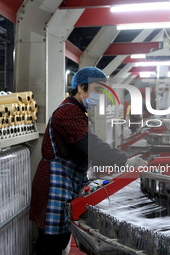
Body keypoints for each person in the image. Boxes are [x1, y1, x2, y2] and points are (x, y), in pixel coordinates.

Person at [30, 67, 131, 255]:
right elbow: (88, 144)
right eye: (96, 90)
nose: (100, 96)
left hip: (65, 182)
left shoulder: (78, 111)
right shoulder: (67, 112)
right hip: (55, 184)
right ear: (81, 88)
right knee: (50, 244)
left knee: (57, 241)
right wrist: (123, 161)